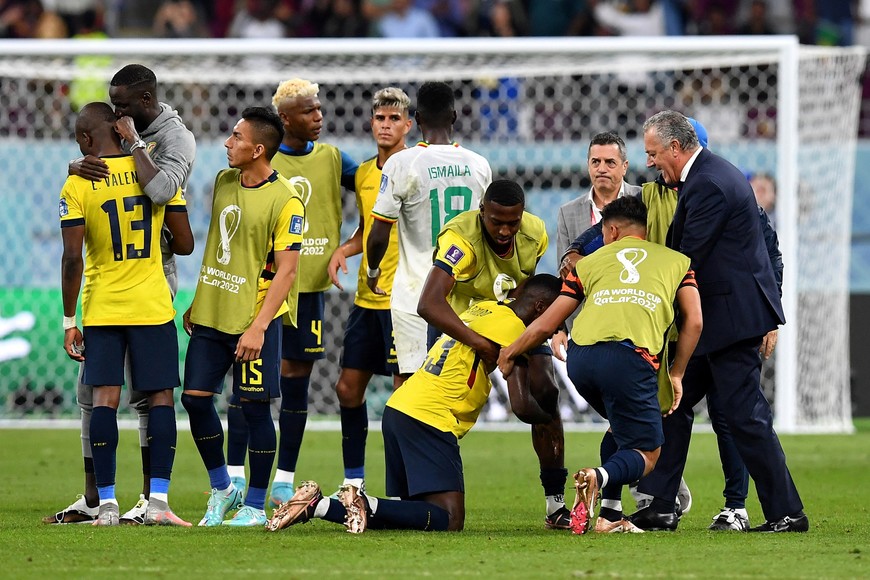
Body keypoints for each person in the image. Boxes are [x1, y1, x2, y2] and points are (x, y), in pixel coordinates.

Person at [266, 274, 564, 533]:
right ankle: (356, 501)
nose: (553, 330)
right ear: (540, 308)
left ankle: (318, 506)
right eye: (555, 319)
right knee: (449, 519)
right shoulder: (513, 329)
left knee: (413, 514)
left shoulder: (485, 307)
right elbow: (522, 406)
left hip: (401, 408)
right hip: (429, 418)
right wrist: (549, 418)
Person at [631, 110, 807, 533]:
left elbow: (685, 259)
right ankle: (661, 505)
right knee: (671, 406)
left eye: (654, 153)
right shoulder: (709, 176)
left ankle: (786, 513)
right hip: (712, 321)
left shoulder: (708, 184)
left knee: (744, 415)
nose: (651, 162)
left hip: (728, 322)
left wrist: (641, 299)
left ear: (676, 147)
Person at [44, 63, 197, 526]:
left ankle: (106, 503)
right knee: (160, 398)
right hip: (152, 301)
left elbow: (72, 259)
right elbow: (186, 241)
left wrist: (69, 320)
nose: (118, 111)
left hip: (104, 304)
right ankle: (157, 503)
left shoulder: (79, 182)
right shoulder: (144, 167)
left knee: (104, 398)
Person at [498, 196, 703, 535]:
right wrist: (677, 372)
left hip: (582, 360)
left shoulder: (588, 264)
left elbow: (548, 323)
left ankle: (608, 515)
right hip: (629, 358)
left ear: (610, 230)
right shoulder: (678, 262)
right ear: (645, 231)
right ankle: (598, 476)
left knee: (618, 427)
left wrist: (510, 351)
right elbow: (694, 321)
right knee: (648, 453)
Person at [229, 78, 359, 509]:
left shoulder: (335, 160)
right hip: (261, 291)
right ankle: (232, 479)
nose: (318, 117)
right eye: (308, 111)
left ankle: (284, 479)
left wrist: (350, 244)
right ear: (284, 119)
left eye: (319, 109)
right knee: (251, 385)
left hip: (308, 292)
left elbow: (380, 185)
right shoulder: (260, 160)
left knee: (296, 381)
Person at [416, 179, 570, 529]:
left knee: (547, 393)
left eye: (512, 223)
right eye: (496, 221)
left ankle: (555, 502)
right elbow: (428, 303)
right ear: (481, 211)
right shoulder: (459, 237)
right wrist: (484, 345)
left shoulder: (535, 234)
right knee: (439, 414)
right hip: (459, 326)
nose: (504, 230)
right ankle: (425, 496)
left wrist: (536, 333)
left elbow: (531, 292)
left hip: (512, 323)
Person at [180, 106, 304, 527]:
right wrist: (199, 300)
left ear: (258, 148)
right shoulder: (223, 181)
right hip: (213, 312)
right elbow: (218, 245)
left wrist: (259, 326)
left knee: (253, 409)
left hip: (255, 319)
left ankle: (254, 505)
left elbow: (287, 271)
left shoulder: (287, 199)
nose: (227, 143)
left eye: (235, 137)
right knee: (194, 399)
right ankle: (223, 489)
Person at [366, 80, 492, 378]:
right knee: (455, 384)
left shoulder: (402, 163)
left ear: (417, 119)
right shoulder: (479, 165)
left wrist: (373, 272)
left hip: (416, 295)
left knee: (411, 383)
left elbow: (380, 231)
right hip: (464, 293)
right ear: (454, 116)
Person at [325, 87, 412, 493]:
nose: (386, 125)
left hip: (404, 300)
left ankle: (402, 485)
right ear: (371, 122)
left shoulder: (417, 166)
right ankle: (354, 482)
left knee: (402, 399)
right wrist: (345, 248)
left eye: (395, 119)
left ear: (408, 125)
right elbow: (368, 228)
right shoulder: (362, 174)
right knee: (347, 388)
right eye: (381, 118)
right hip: (366, 299)